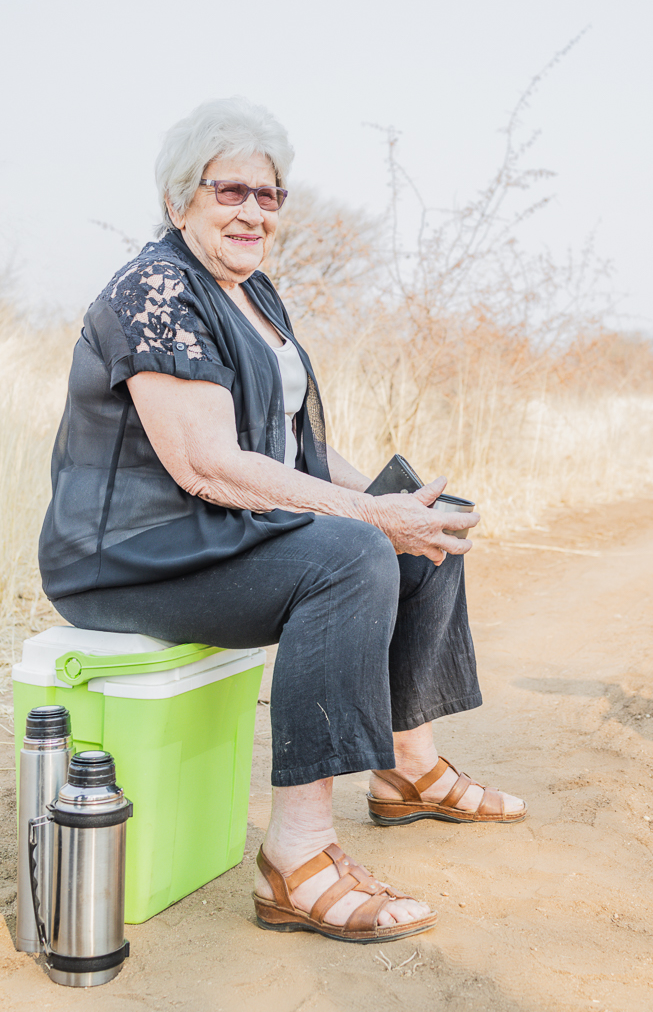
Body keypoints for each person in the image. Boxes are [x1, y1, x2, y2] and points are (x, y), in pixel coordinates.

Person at [39, 97, 526, 944]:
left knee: (421, 530)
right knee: (349, 551)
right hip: (127, 554)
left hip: (212, 534)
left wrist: (395, 506)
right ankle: (296, 860)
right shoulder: (152, 289)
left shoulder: (254, 292)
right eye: (230, 192)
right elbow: (207, 462)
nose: (252, 212)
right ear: (178, 199)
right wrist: (362, 518)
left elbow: (294, 451)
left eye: (269, 197)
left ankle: (408, 772)